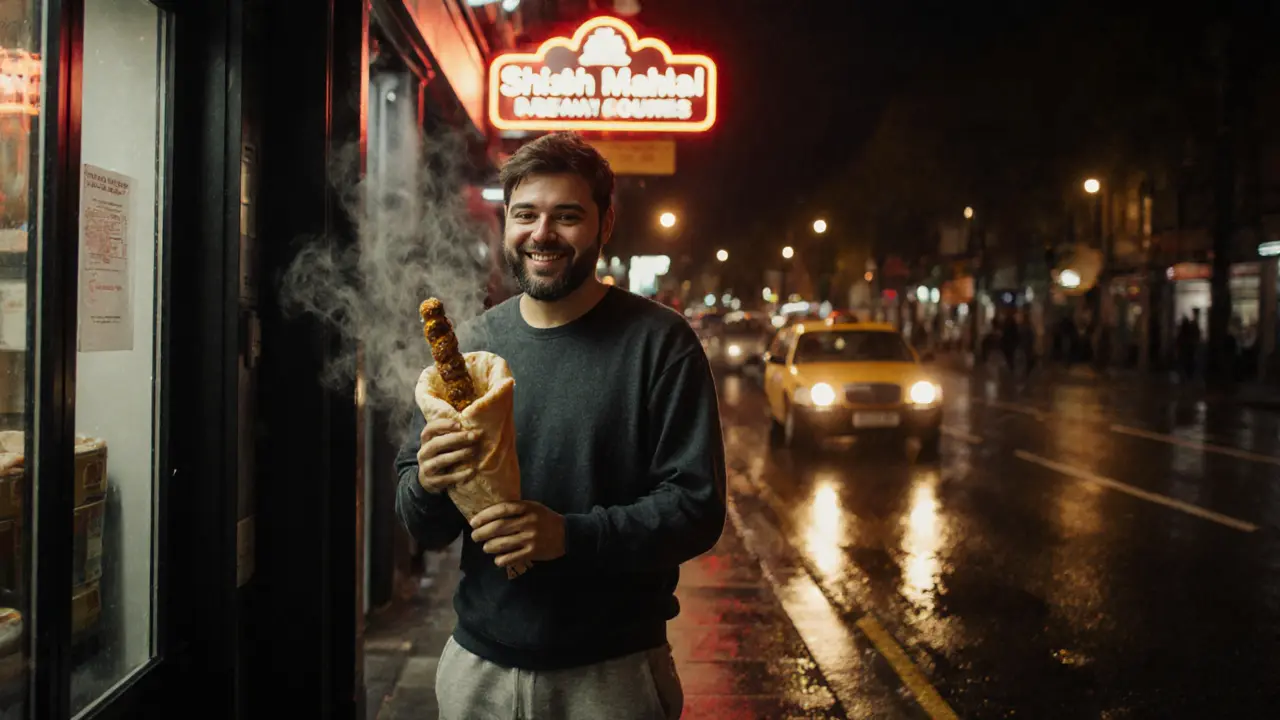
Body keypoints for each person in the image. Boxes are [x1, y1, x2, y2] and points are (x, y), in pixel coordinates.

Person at [395, 131, 727, 720]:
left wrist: (567, 537)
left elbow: (695, 509)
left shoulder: (660, 344)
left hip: (612, 679)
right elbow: (423, 524)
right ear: (506, 224)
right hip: (478, 675)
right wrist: (427, 480)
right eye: (525, 214)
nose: (542, 233)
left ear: (605, 225)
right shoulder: (471, 347)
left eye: (567, 215)